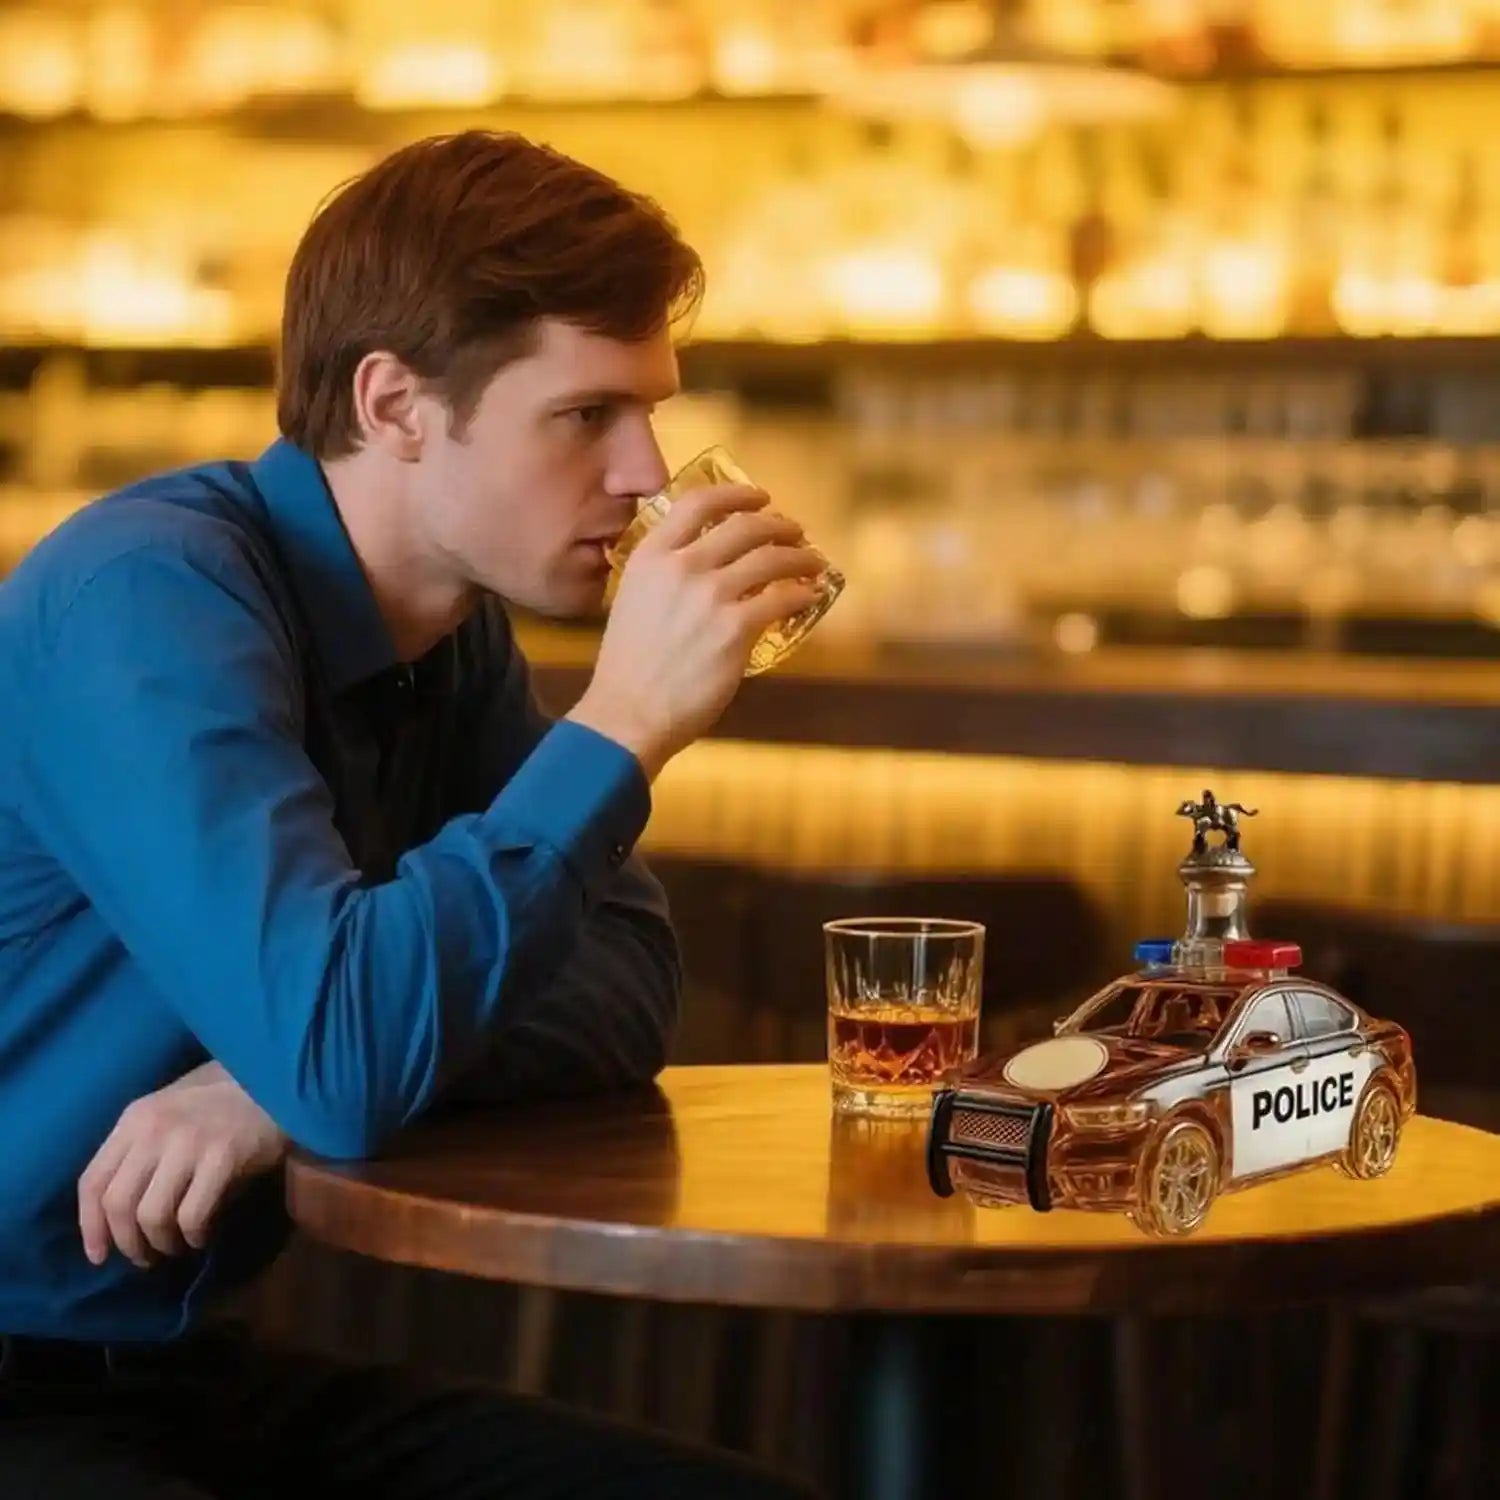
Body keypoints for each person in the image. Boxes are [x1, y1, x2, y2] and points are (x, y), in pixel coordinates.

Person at [0, 131, 823, 1498]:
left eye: (654, 413)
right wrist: (623, 725)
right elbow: (339, 1053)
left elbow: (626, 987)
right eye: (587, 415)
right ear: (394, 406)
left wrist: (267, 1082)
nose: (646, 472)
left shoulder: (450, 636)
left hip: (183, 1376)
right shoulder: (148, 598)